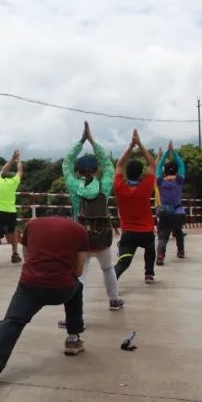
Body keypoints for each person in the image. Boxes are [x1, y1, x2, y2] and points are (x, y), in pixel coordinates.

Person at [0, 215, 88, 385]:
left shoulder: (32, 224)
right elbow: (79, 271)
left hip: (29, 286)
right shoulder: (80, 231)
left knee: (12, 321)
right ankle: (73, 339)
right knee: (77, 286)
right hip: (61, 289)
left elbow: (27, 256)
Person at [63, 121, 123, 315]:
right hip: (102, 236)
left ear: (78, 172)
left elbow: (66, 163)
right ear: (97, 170)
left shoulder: (74, 185)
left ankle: (77, 316)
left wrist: (81, 141)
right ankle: (114, 300)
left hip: (80, 239)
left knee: (80, 276)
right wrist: (93, 141)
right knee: (108, 268)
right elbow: (107, 162)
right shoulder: (104, 185)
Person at [113, 130, 158, 283]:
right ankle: (149, 274)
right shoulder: (145, 186)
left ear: (127, 172)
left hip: (128, 233)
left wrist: (131, 146)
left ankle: (114, 277)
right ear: (141, 173)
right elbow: (153, 164)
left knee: (124, 261)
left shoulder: (119, 187)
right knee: (150, 249)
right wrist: (139, 144)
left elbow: (119, 164)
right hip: (145, 232)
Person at [155, 141, 187, 265]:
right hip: (178, 213)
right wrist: (172, 151)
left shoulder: (160, 182)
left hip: (164, 213)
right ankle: (181, 251)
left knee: (163, 237)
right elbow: (181, 164)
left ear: (165, 171)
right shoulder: (179, 180)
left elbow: (158, 166)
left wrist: (165, 154)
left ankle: (161, 256)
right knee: (178, 230)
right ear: (176, 171)